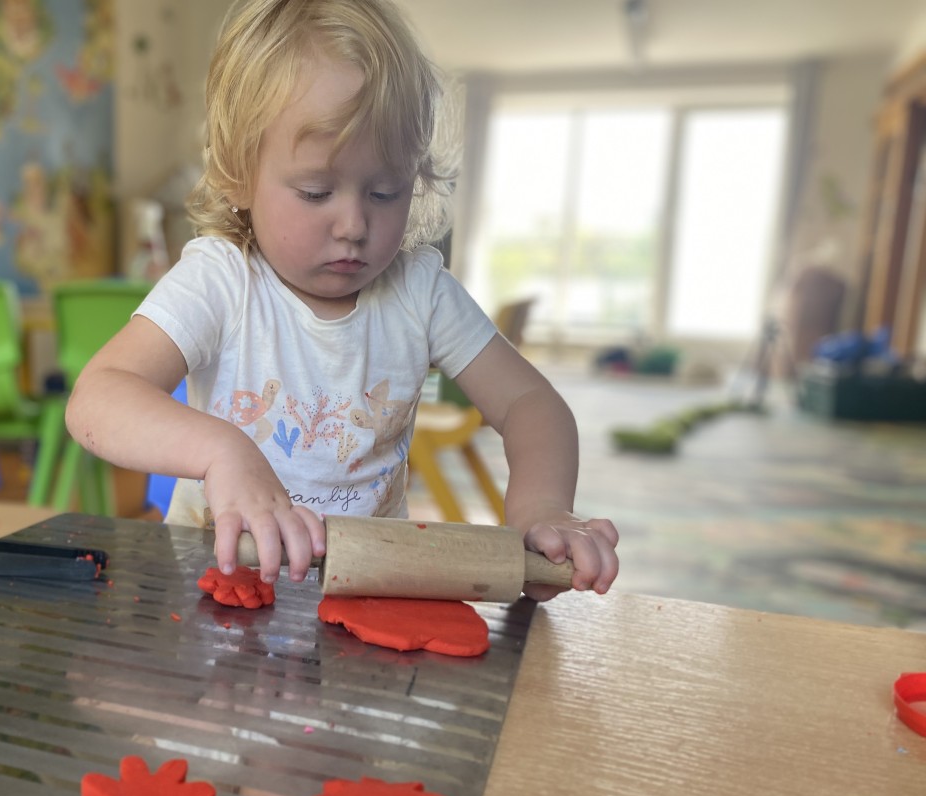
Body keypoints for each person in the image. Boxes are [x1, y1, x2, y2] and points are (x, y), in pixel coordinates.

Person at [65, 0, 618, 601]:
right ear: (237, 176)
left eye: (385, 191)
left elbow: (532, 403)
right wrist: (222, 451)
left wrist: (543, 508)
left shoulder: (420, 293)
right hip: (215, 596)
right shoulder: (220, 281)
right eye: (315, 191)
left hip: (369, 597)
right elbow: (97, 399)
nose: (354, 224)